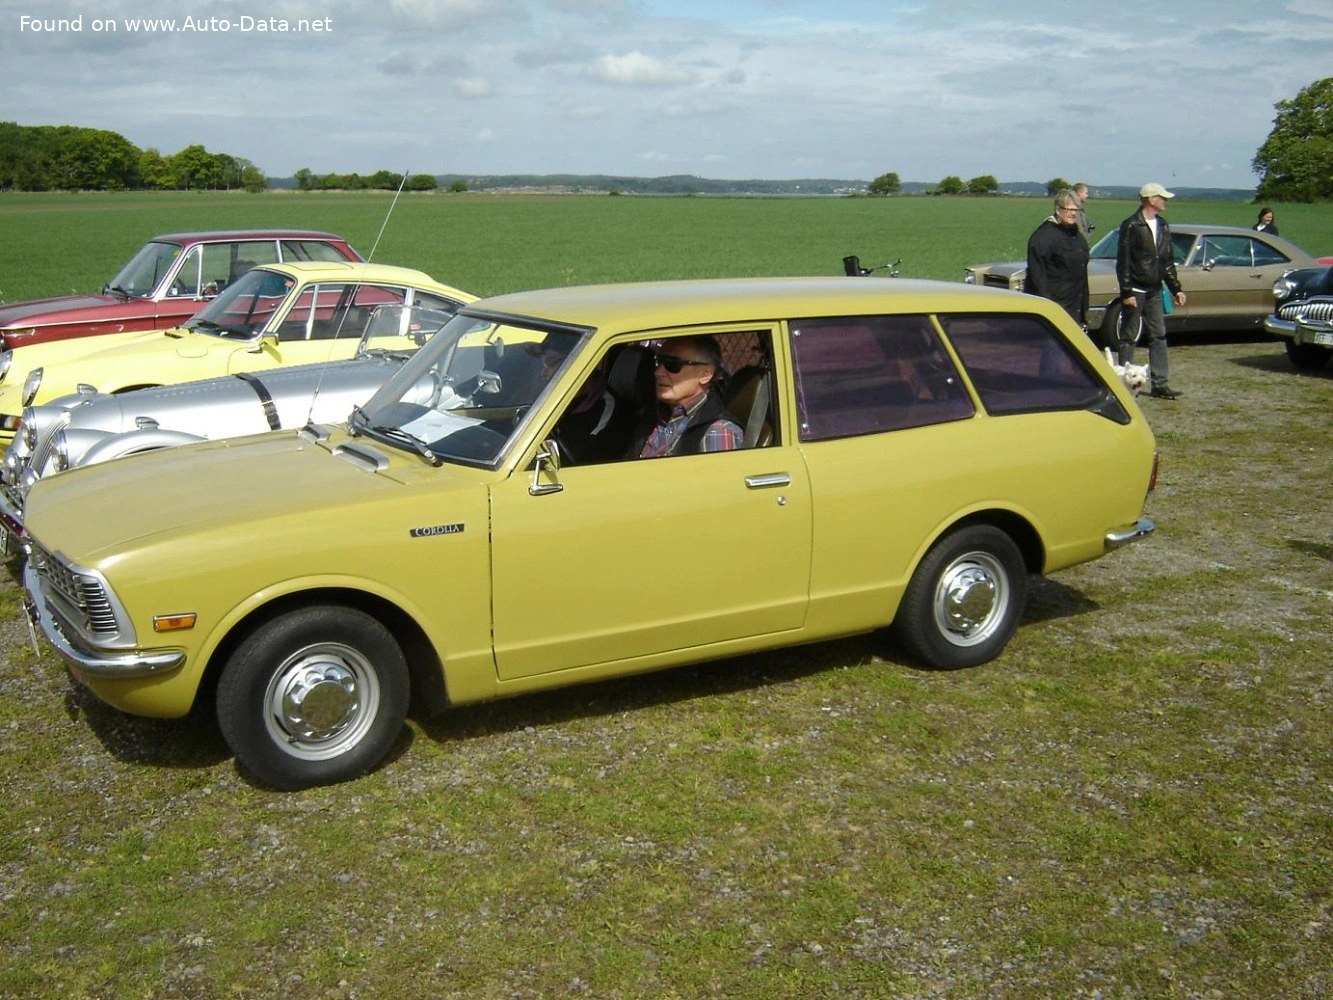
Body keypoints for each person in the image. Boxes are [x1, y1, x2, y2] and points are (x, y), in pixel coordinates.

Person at [1115, 183, 1187, 400]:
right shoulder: (1131, 225)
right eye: (1161, 197)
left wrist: (1176, 288)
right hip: (1135, 288)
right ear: (1150, 199)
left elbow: (1166, 260)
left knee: (1159, 335)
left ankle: (1159, 383)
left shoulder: (1163, 225)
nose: (1165, 201)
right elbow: (1124, 261)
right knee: (1129, 336)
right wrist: (1126, 292)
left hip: (1155, 289)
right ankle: (1122, 383)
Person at [629, 335, 743, 457]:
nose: (658, 372)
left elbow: (719, 476)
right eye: (658, 361)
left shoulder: (717, 432)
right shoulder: (652, 415)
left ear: (706, 373)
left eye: (673, 364)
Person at [1025, 189, 1090, 325]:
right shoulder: (1044, 237)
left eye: (1076, 210)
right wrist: (1048, 308)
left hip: (1075, 305)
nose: (1073, 213)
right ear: (1058, 209)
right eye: (1069, 209)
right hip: (1056, 306)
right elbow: (1037, 276)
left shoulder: (1076, 234)